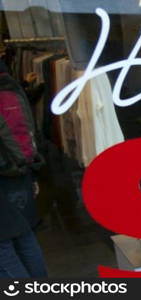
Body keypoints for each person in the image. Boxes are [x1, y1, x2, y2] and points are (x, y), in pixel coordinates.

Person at [0, 61, 48, 278]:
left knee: (3, 248)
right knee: (24, 236)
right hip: (18, 169)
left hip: (5, 171)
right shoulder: (9, 84)